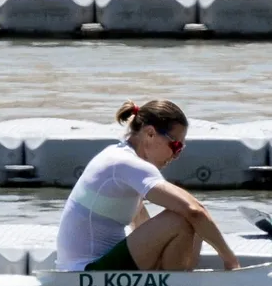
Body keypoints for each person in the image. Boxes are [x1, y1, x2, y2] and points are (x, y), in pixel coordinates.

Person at [55, 99, 241, 272]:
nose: (177, 155)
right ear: (150, 133)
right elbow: (195, 211)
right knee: (183, 217)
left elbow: (140, 220)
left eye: (181, 149)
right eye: (175, 145)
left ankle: (177, 281)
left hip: (89, 267)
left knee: (194, 220)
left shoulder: (116, 156)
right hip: (87, 272)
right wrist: (231, 262)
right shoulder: (127, 163)